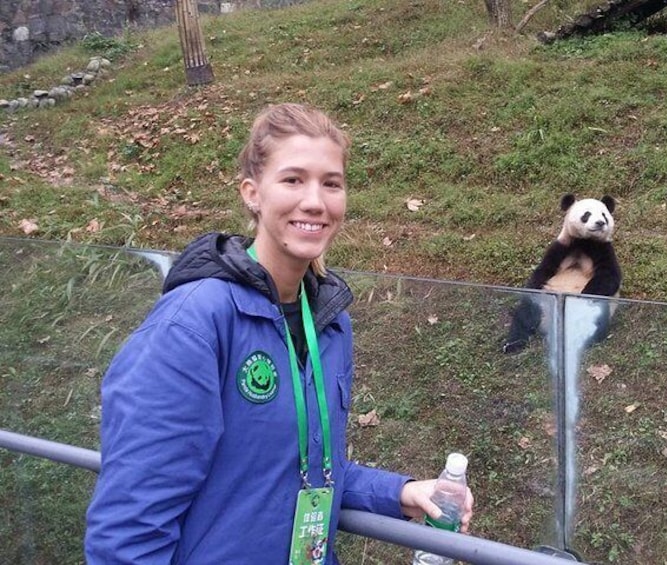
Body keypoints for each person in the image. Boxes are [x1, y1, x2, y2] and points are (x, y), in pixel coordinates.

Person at [85, 103, 473, 563]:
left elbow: (302, 472)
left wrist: (402, 492)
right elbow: (129, 528)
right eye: (293, 180)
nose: (315, 200)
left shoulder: (330, 324)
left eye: (331, 183)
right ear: (252, 193)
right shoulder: (194, 323)